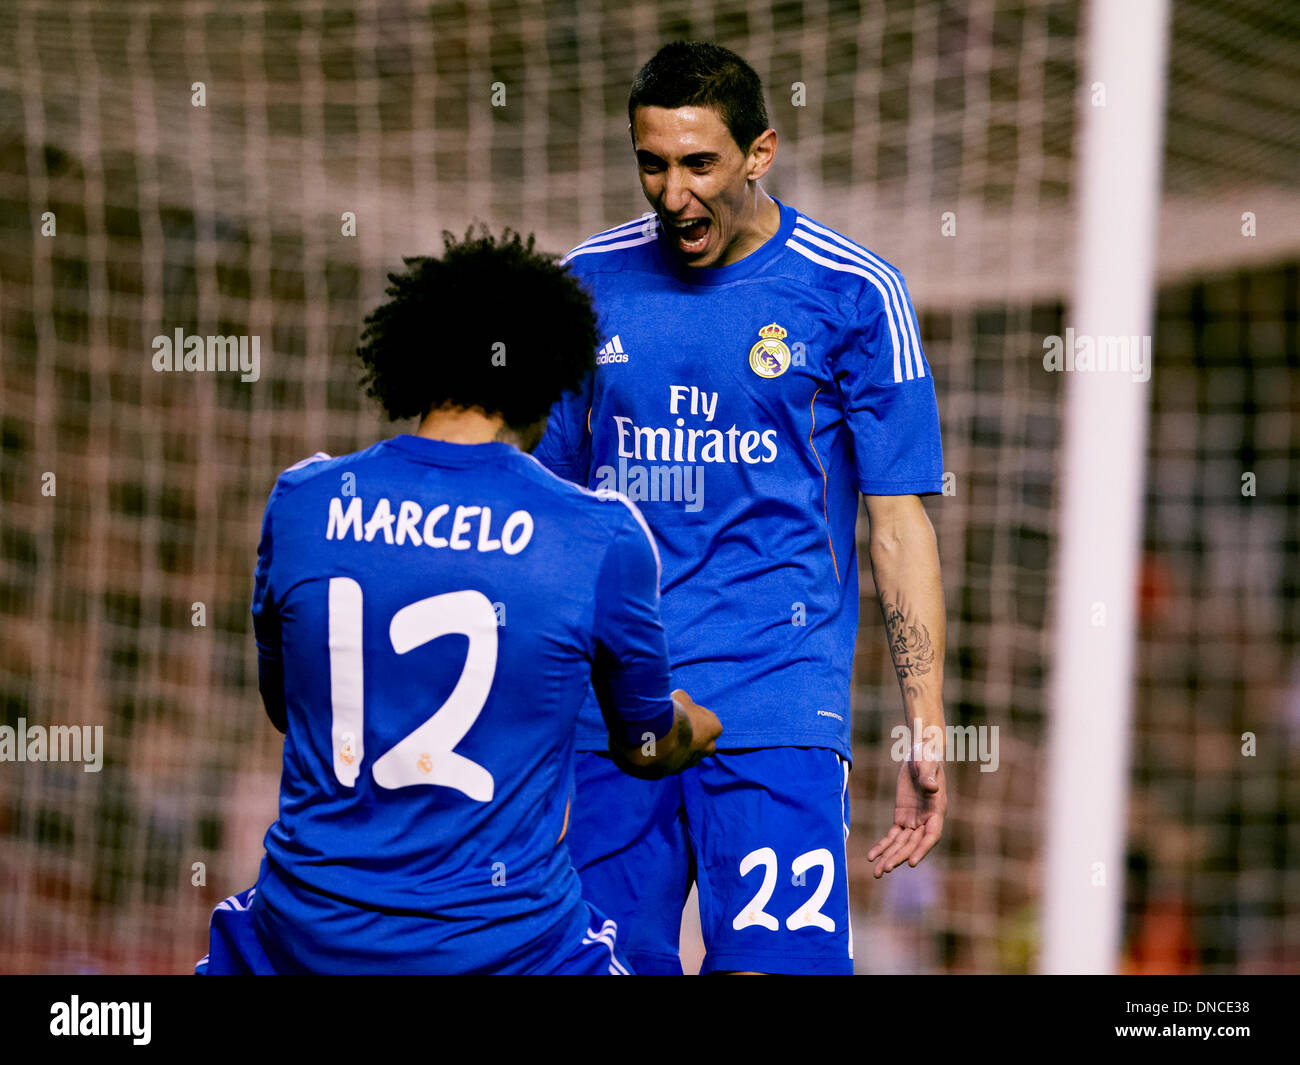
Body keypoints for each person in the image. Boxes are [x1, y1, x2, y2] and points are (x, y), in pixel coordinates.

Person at [196, 228, 721, 975]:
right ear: (552, 374)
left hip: (302, 939)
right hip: (507, 950)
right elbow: (643, 747)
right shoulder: (597, 534)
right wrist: (690, 726)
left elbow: (286, 708)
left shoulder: (304, 501)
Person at [533, 41, 948, 975]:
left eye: (698, 164)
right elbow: (547, 513)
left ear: (760, 152)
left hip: (776, 703)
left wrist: (925, 721)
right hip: (617, 719)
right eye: (652, 163)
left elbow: (899, 522)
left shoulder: (854, 293)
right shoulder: (585, 286)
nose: (673, 194)